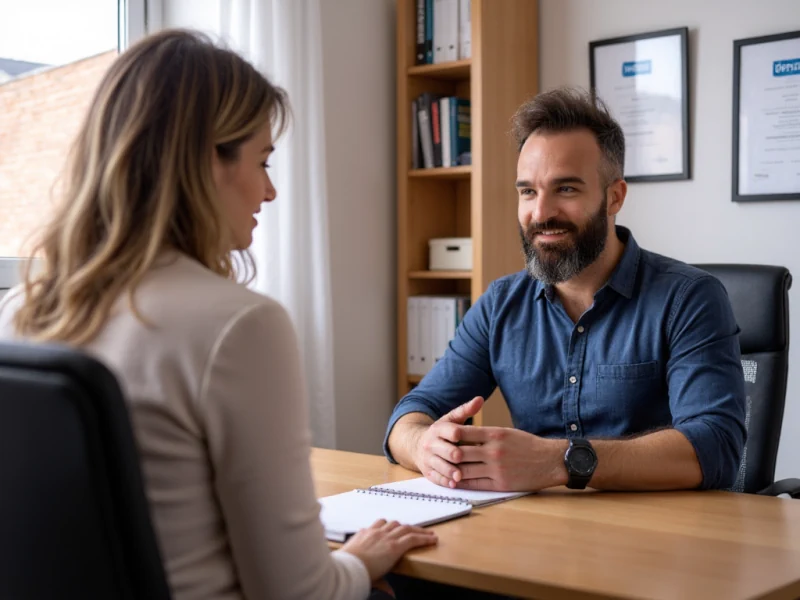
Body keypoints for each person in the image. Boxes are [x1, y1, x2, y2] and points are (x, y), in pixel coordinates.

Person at [0, 29, 436, 600]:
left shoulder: (18, 311)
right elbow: (300, 594)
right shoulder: (239, 327)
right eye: (263, 162)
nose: (270, 192)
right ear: (206, 161)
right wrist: (358, 559)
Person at [385, 87, 747, 496]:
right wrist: (425, 445)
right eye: (528, 191)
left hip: (657, 529)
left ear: (614, 197)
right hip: (533, 525)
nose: (540, 213)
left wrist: (557, 461)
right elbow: (408, 416)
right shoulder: (501, 304)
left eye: (566, 189)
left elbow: (716, 447)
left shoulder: (689, 299)